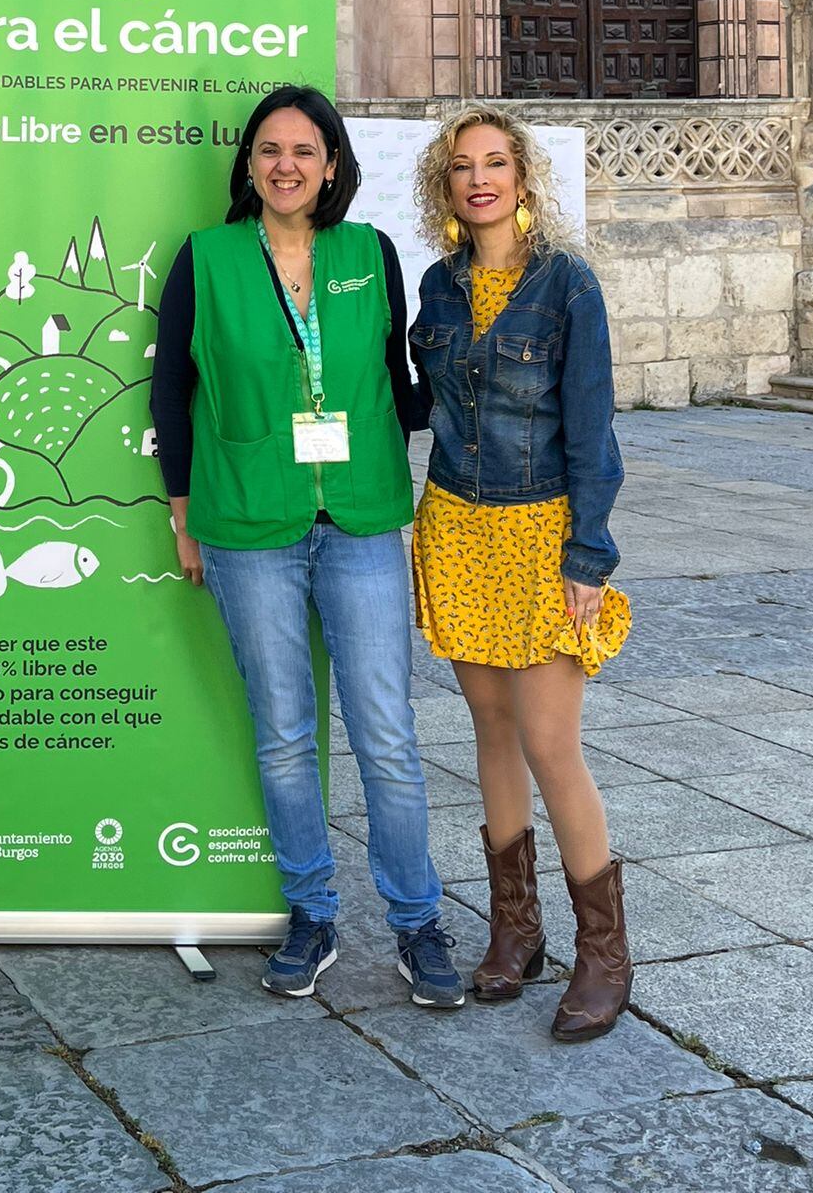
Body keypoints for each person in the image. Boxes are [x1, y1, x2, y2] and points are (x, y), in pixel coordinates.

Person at [150, 86, 463, 1007]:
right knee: (285, 735)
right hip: (248, 522)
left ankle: (417, 923)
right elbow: (171, 392)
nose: (287, 165)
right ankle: (313, 912)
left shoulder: (369, 255)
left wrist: (475, 388)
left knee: (388, 735)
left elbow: (402, 384)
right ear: (249, 164)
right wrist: (181, 512)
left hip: (362, 516)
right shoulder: (204, 259)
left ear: (332, 167)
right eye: (270, 149)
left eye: (306, 150)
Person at [410, 105, 632, 1041]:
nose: (479, 179)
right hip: (457, 528)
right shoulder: (439, 285)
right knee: (492, 732)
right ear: (446, 186)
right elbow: (418, 403)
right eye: (463, 166)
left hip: (541, 536)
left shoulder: (566, 286)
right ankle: (516, 932)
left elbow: (594, 427)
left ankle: (605, 954)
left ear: (523, 178)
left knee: (551, 743)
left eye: (495, 162)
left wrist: (589, 553)